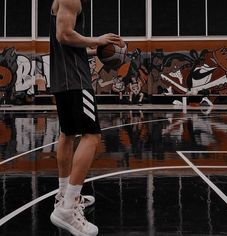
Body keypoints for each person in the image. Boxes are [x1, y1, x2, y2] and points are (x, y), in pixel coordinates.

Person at [49, 0, 122, 235]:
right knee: (91, 136)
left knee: (67, 134)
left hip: (63, 79)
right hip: (77, 80)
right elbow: (64, 35)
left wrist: (100, 49)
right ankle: (68, 209)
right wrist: (97, 40)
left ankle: (64, 196)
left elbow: (69, 41)